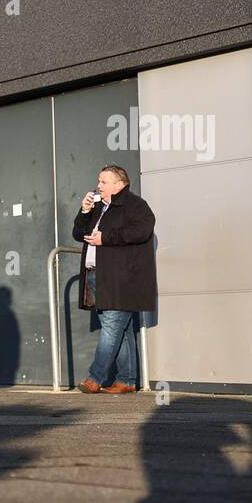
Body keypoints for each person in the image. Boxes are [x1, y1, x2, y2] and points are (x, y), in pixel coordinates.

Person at [72, 165, 157, 394]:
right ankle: (126, 380)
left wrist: (106, 238)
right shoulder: (99, 208)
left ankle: (94, 377)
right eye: (98, 181)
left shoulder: (135, 205)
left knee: (111, 327)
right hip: (96, 275)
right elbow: (78, 233)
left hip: (121, 278)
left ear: (119, 184)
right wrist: (85, 212)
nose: (98, 186)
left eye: (103, 182)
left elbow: (143, 231)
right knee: (123, 329)